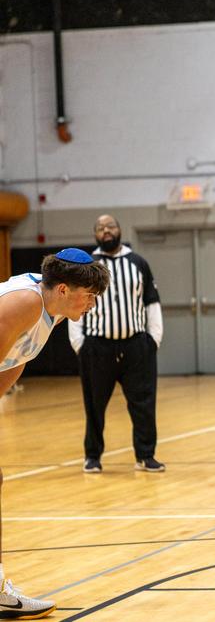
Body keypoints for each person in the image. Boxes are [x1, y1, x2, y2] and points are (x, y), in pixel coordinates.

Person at [0, 249, 109, 618]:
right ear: (63, 289)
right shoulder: (25, 303)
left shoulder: (53, 311)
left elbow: (15, 360)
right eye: (89, 296)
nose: (93, 304)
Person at [68, 215, 165, 473]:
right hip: (97, 348)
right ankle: (92, 456)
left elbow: (152, 302)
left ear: (120, 230)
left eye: (110, 226)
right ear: (95, 234)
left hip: (136, 347)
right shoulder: (87, 265)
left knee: (143, 404)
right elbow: (74, 304)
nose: (106, 231)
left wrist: (153, 340)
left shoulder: (138, 263)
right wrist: (80, 344)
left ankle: (145, 456)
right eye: (100, 228)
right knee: (94, 406)